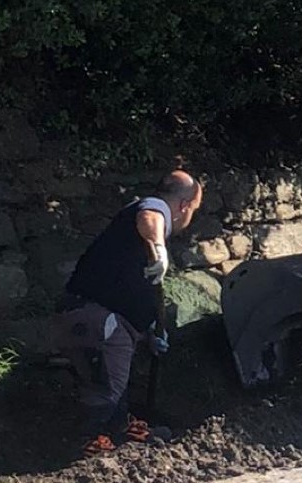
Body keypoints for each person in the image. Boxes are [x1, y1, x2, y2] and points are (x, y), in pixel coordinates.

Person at [55, 169, 204, 457]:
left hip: (89, 316)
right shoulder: (153, 208)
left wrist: (149, 330)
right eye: (194, 210)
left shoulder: (133, 231)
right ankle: (84, 450)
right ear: (185, 205)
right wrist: (160, 250)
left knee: (115, 389)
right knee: (107, 393)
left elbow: (128, 286)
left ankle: (120, 435)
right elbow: (150, 216)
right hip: (96, 319)